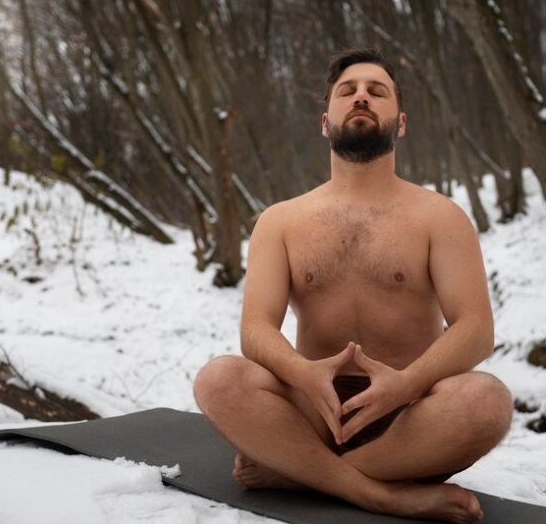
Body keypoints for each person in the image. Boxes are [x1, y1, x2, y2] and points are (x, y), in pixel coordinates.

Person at [192, 48, 513, 524]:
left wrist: (404, 386)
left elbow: (476, 330)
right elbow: (256, 330)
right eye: (348, 91)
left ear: (399, 123)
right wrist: (303, 375)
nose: (361, 97)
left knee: (488, 401)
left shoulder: (440, 216)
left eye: (376, 91)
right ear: (326, 122)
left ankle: (304, 473)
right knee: (217, 379)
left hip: (410, 417)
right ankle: (377, 493)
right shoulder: (280, 221)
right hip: (312, 412)